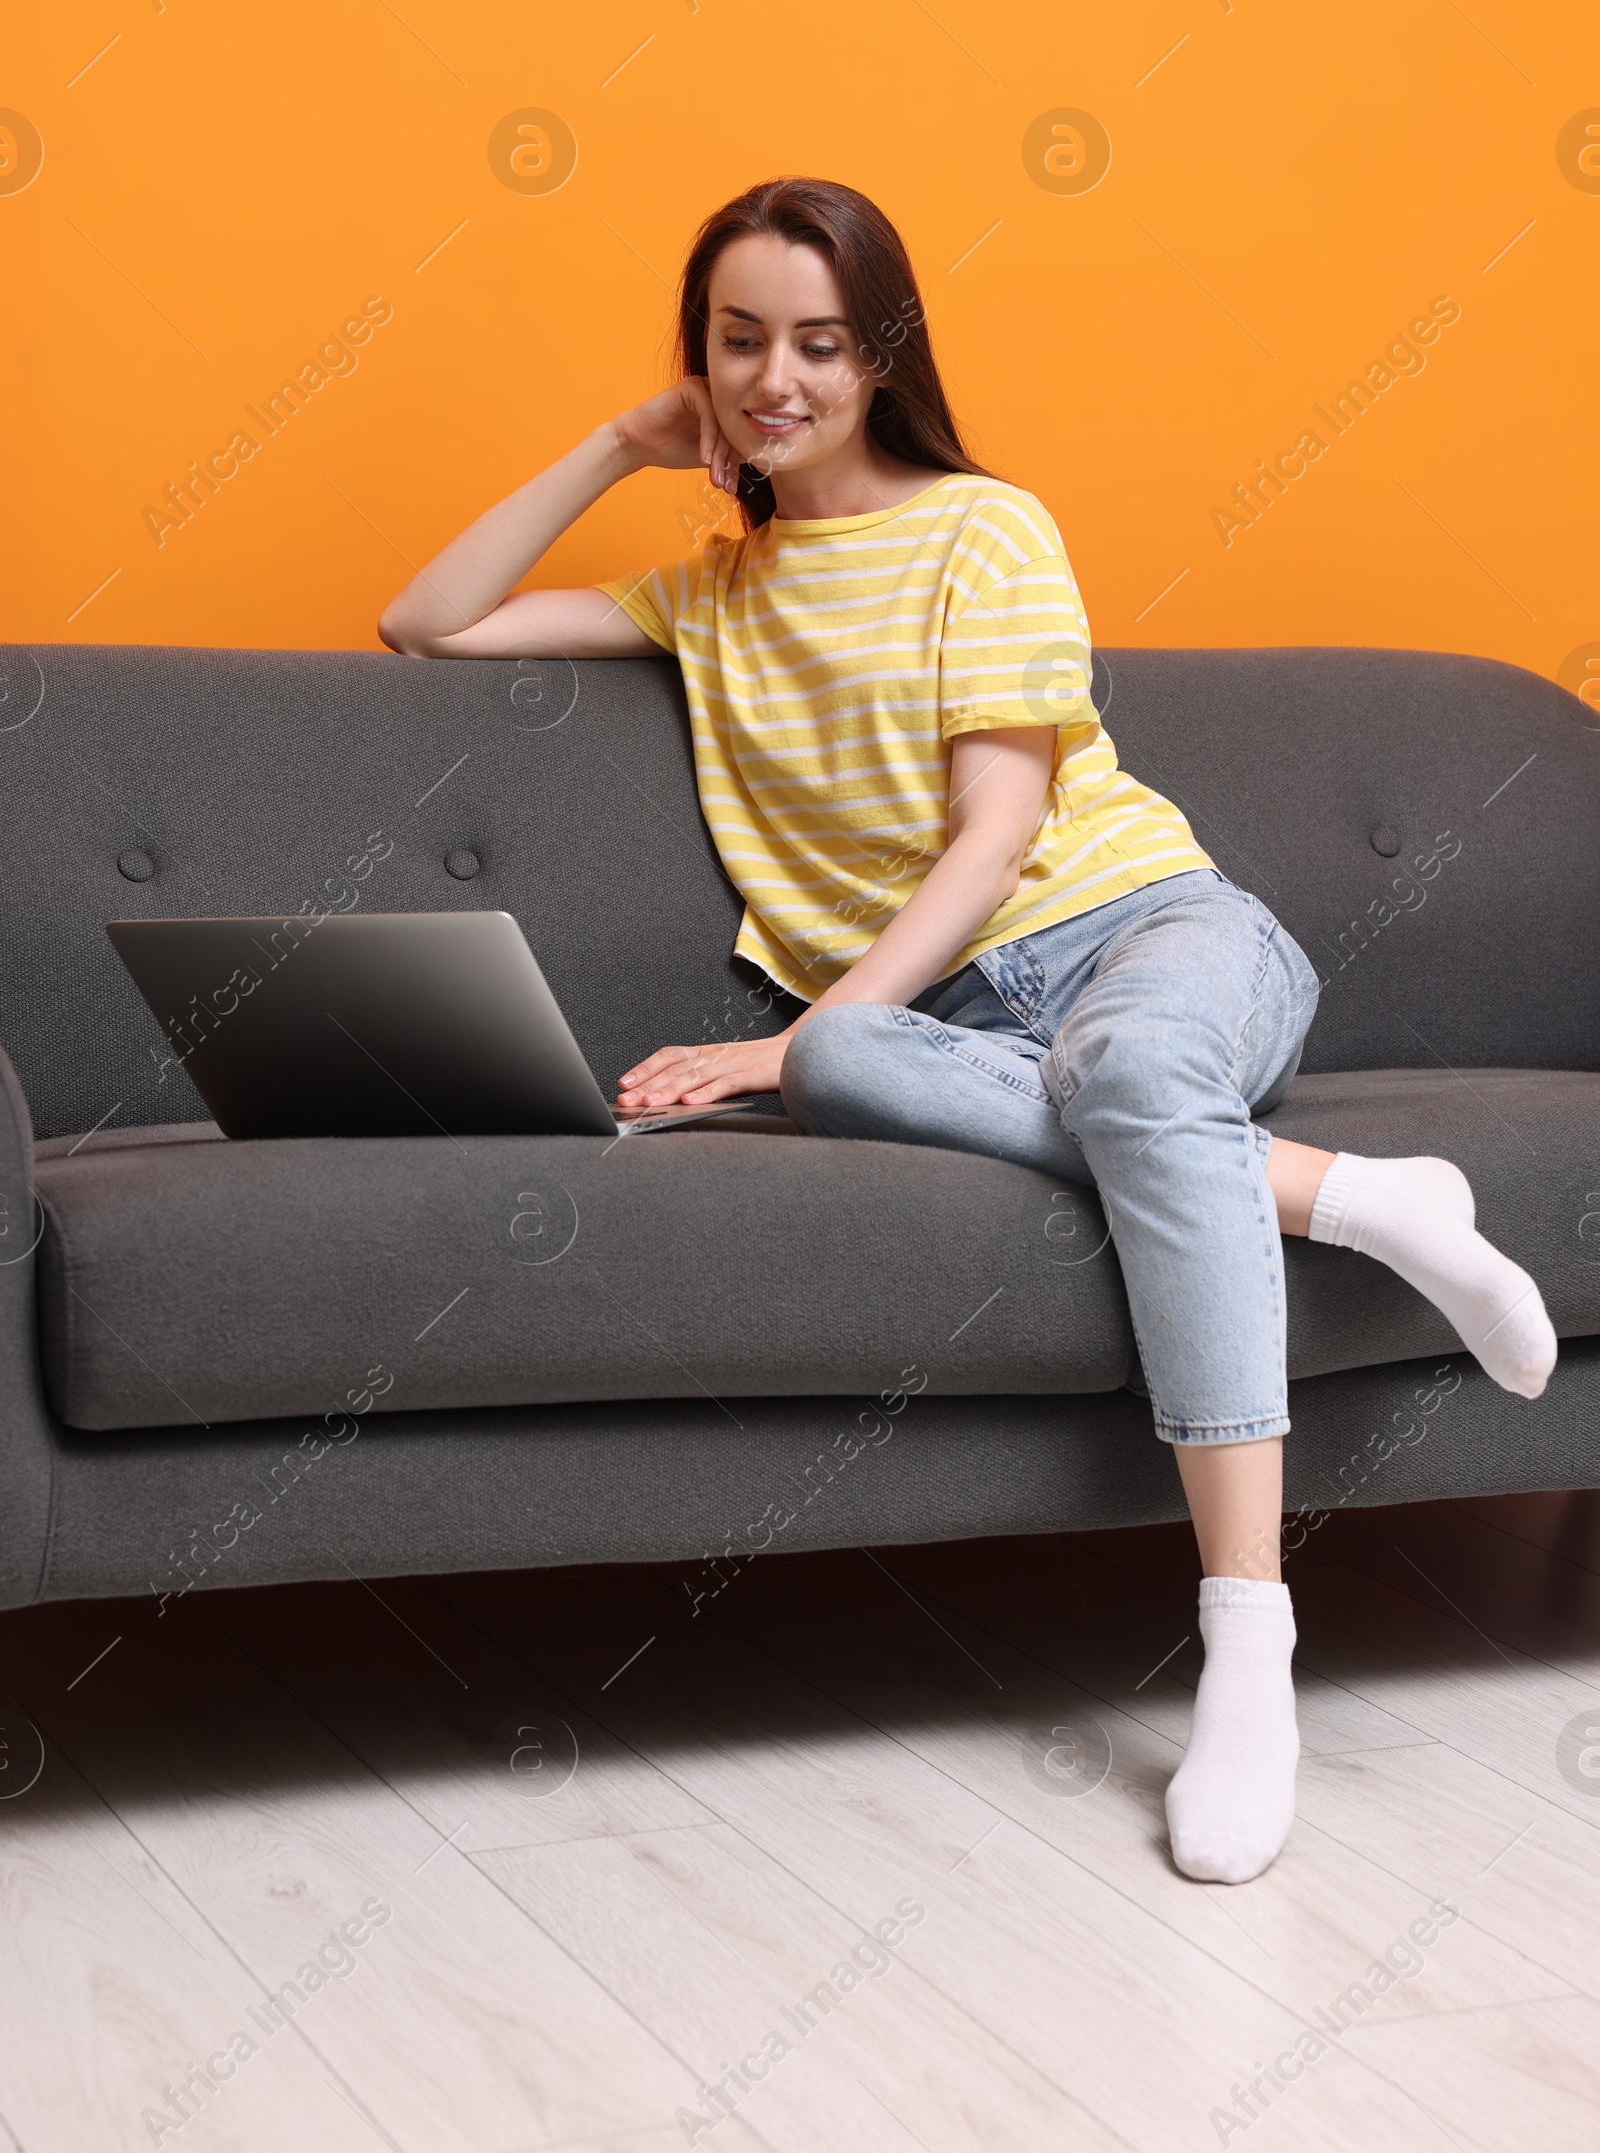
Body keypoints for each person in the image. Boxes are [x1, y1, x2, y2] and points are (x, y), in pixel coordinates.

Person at [379, 176, 1557, 1883]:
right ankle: (1363, 1200)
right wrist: (623, 441)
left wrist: (795, 1035)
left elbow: (994, 836)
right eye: (736, 342)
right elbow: (427, 621)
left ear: (882, 358)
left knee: (1079, 1063)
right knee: (846, 1059)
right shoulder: (706, 598)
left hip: (1155, 938)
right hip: (947, 1028)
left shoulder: (986, 528)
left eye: (818, 343)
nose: (774, 379)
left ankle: (1245, 1641)